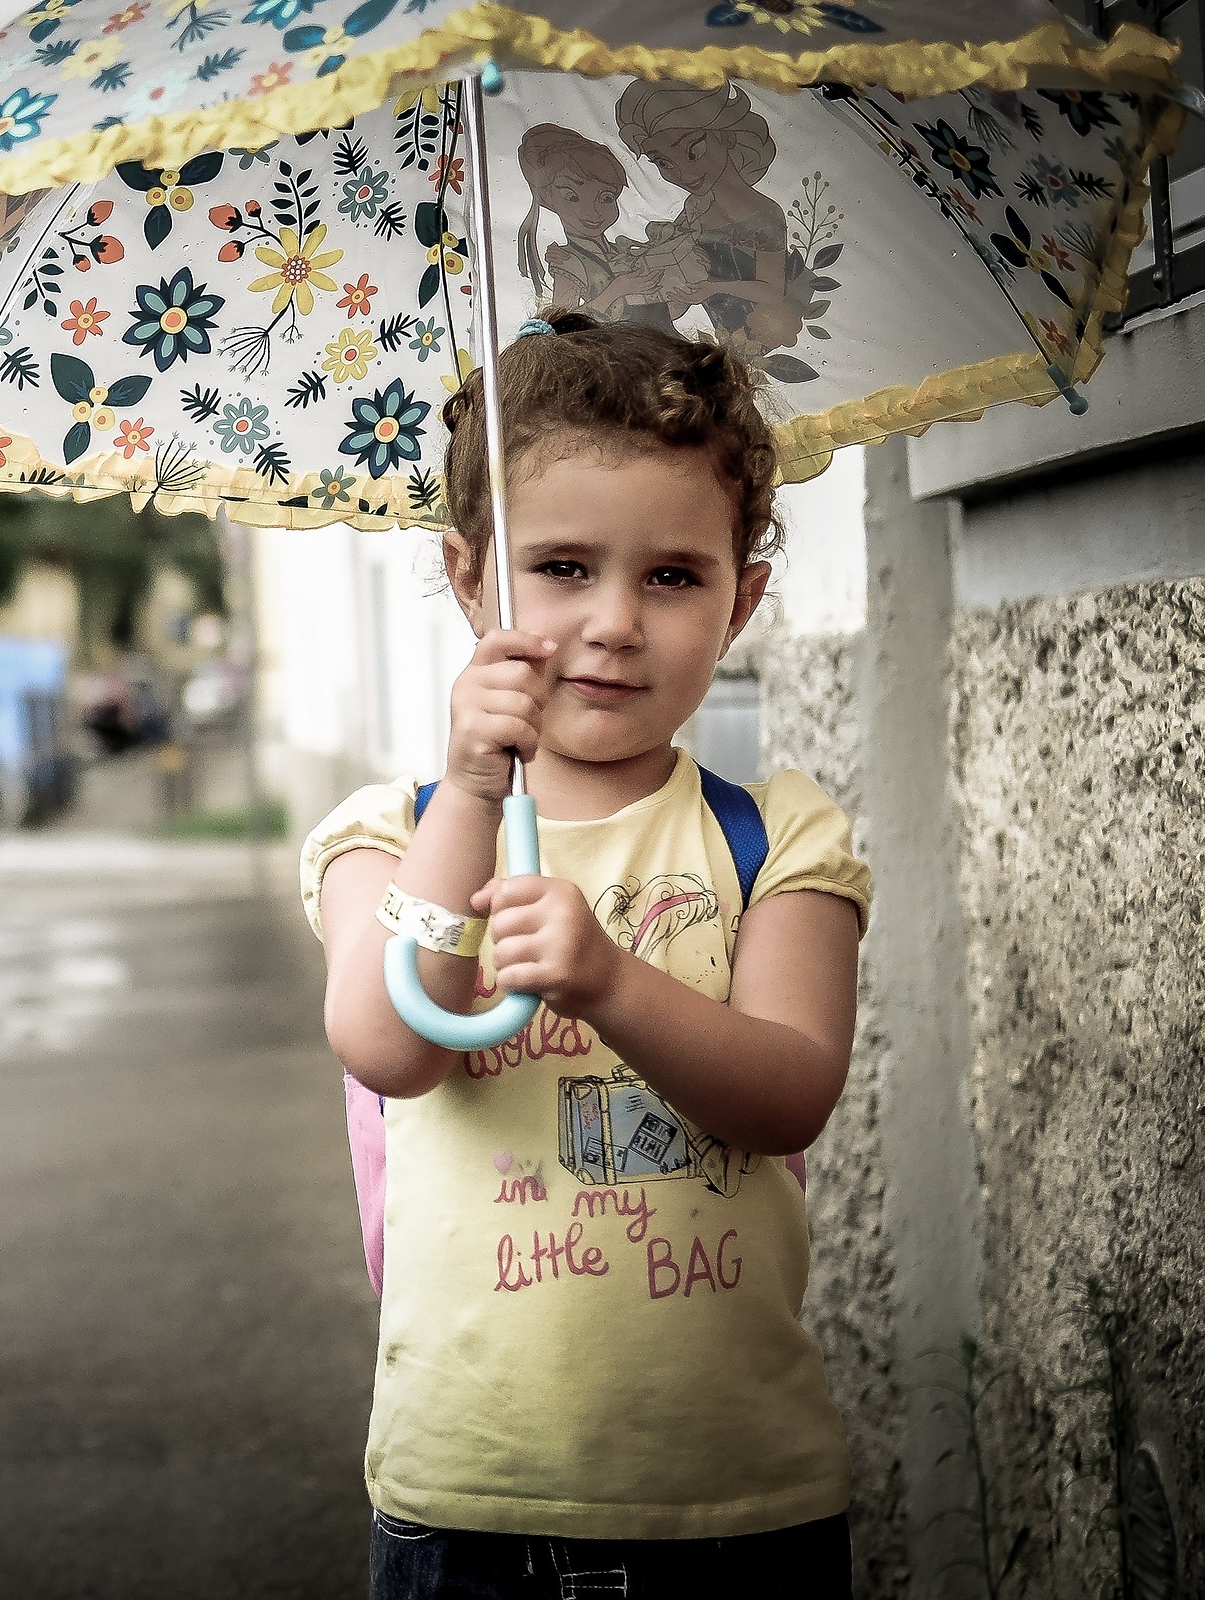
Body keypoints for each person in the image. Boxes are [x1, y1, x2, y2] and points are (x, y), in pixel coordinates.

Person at [301, 309, 866, 1598]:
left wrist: (612, 981)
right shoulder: (386, 835)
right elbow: (392, 1044)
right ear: (467, 578)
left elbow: (793, 1088)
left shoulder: (774, 833)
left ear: (746, 598)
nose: (615, 621)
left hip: (736, 1501)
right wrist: (464, 790)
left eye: (672, 576)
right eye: (560, 567)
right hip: (470, 1500)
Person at [616, 81, 804, 354]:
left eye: (693, 150)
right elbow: (679, 263)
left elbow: (773, 291)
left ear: (725, 137)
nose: (682, 172)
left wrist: (712, 288)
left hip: (755, 337)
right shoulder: (695, 207)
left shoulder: (764, 213)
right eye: (663, 163)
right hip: (712, 337)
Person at [513, 124, 675, 327]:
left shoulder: (620, 252)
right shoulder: (568, 261)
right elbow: (561, 323)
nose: (593, 212)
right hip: (622, 351)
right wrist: (616, 290)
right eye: (572, 197)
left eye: (606, 198)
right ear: (546, 198)